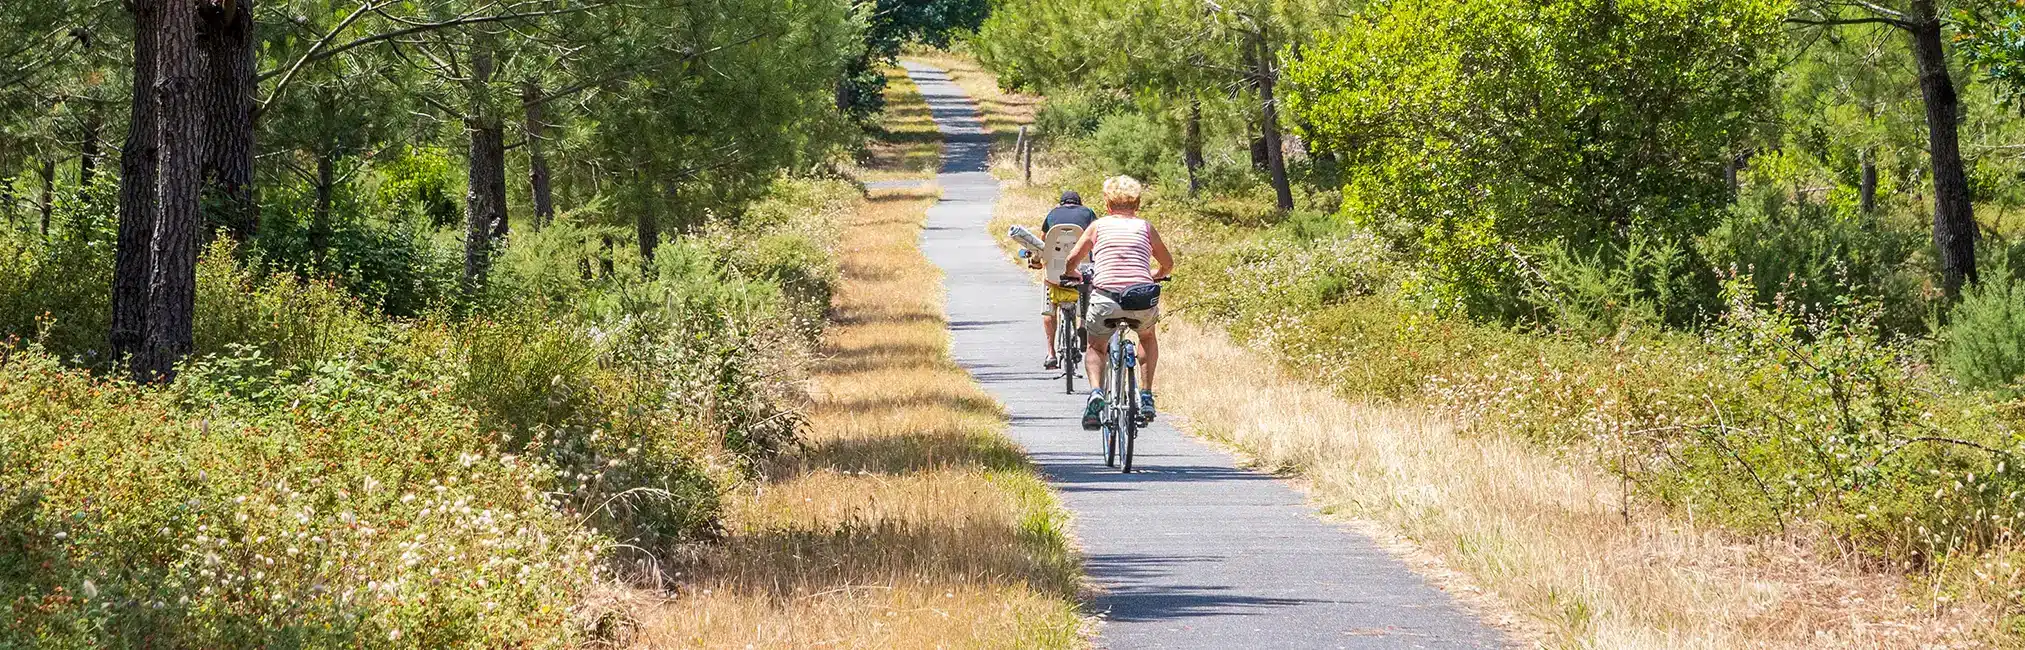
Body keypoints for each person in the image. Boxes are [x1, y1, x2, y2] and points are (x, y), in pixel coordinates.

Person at [1063, 176, 1172, 429]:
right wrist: (1156, 275)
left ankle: (1096, 393)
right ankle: (1146, 395)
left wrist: (1074, 274)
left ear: (1107, 203)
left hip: (1106, 298)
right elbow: (1167, 263)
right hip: (1141, 298)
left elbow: (1072, 259)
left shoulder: (1098, 227)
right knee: (1146, 337)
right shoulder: (1146, 227)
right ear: (1138, 203)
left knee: (1096, 346)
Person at [1034, 190, 1096, 369]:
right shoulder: (1088, 213)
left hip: (1055, 272)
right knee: (1088, 290)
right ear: (1079, 203)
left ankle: (1051, 353)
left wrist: (1036, 261)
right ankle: (1083, 322)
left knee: (1049, 308)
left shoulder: (1052, 214)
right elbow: (1096, 237)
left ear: (1061, 204)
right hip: (1081, 270)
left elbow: (1043, 242)